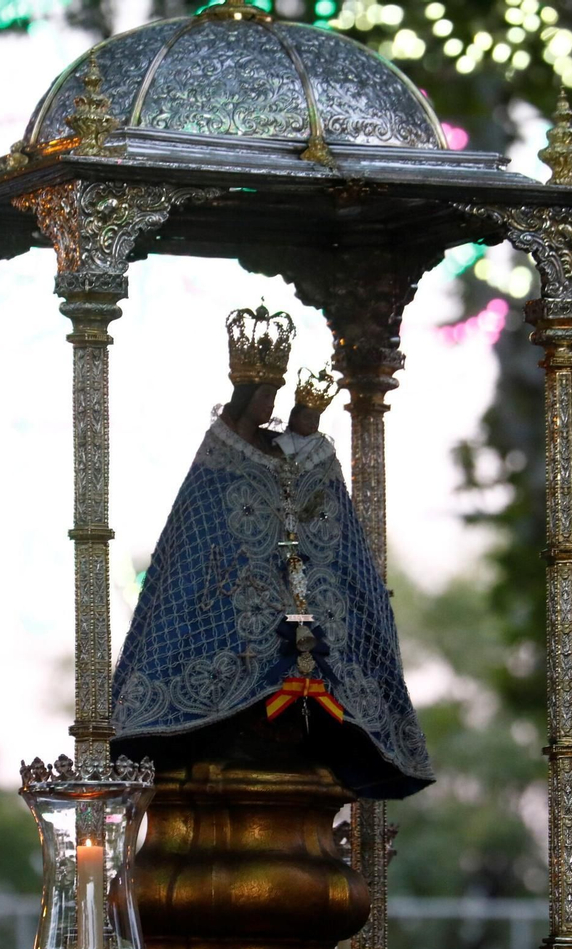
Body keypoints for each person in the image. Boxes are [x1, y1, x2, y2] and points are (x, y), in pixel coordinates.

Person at [110, 306, 432, 798]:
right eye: (264, 396)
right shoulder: (220, 457)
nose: (270, 406)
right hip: (230, 610)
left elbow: (322, 517)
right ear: (245, 395)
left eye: (275, 396)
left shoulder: (294, 452)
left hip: (302, 619)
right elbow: (195, 543)